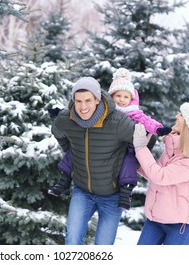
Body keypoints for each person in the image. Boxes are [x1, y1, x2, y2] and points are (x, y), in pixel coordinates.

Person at [48, 68, 171, 211]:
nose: (122, 100)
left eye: (126, 97)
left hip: (126, 146)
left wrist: (158, 129)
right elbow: (81, 108)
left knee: (128, 163)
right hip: (105, 145)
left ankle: (126, 192)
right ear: (112, 95)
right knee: (76, 150)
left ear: (131, 99)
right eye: (118, 95)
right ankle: (64, 181)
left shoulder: (134, 113)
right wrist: (60, 113)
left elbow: (147, 122)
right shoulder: (104, 110)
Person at [51, 75, 136, 245]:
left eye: (88, 100)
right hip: (82, 192)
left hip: (112, 195)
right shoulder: (66, 119)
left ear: (97, 99)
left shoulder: (118, 122)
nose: (83, 107)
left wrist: (128, 165)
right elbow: (57, 131)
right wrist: (71, 150)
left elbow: (144, 142)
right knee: (72, 239)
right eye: (78, 101)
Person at [133, 101, 189, 245]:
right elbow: (156, 172)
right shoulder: (174, 147)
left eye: (181, 115)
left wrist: (140, 148)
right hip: (156, 219)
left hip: (180, 225)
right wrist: (134, 163)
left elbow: (160, 176)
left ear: (188, 123)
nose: (176, 116)